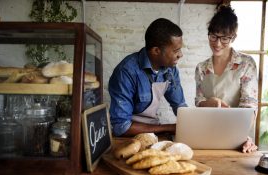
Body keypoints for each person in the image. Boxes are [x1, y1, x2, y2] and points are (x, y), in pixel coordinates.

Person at [195, 5, 258, 153]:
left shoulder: (246, 64)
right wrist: (208, 103)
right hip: (207, 134)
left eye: (224, 38)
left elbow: (249, 106)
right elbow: (198, 102)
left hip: (237, 139)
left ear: (233, 37)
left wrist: (241, 136)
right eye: (213, 36)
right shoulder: (201, 68)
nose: (217, 44)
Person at [108, 18, 187, 137]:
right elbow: (121, 127)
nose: (180, 55)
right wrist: (169, 128)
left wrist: (190, 124)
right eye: (176, 50)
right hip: (129, 137)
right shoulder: (126, 72)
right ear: (156, 50)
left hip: (154, 131)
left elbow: (180, 105)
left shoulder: (170, 69)